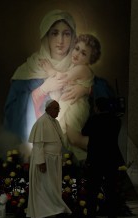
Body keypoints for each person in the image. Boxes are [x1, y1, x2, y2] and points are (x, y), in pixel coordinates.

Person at [3, 9, 89, 144]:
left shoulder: (79, 66)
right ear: (46, 36)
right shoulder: (29, 68)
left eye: (66, 34)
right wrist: (42, 90)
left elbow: (102, 93)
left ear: (73, 37)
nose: (60, 40)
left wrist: (86, 90)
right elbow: (12, 111)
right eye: (54, 33)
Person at [39, 33, 101, 163]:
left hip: (76, 106)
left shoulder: (82, 69)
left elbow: (63, 78)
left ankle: (103, 150)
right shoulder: (76, 66)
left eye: (83, 53)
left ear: (90, 60)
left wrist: (50, 70)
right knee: (69, 138)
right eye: (77, 48)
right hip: (70, 105)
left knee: (75, 138)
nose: (77, 54)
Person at [26, 100, 72, 218]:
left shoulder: (55, 122)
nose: (58, 111)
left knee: (52, 187)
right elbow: (38, 145)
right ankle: (55, 211)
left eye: (58, 108)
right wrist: (41, 161)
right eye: (56, 108)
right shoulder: (42, 122)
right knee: (46, 187)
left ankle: (54, 211)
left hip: (54, 160)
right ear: (48, 109)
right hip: (45, 161)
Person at [81, 97, 123, 218]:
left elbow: (84, 132)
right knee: (111, 190)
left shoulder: (94, 119)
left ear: (97, 107)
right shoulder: (116, 120)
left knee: (92, 190)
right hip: (111, 159)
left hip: (96, 159)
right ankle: (112, 217)